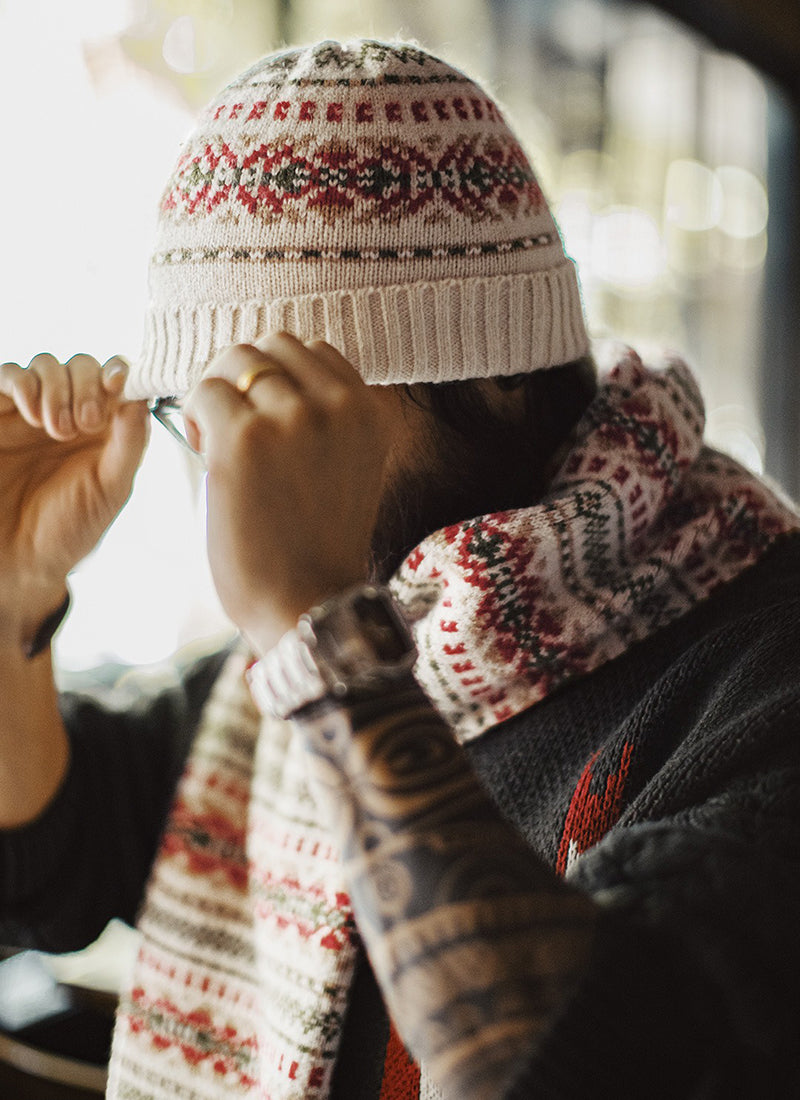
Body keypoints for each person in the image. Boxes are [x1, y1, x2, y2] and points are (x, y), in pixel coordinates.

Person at [1, 38, 799, 1100]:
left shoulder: (758, 670)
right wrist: (13, 598)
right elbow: (44, 862)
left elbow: (582, 1060)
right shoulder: (294, 681)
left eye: (281, 402)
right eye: (197, 417)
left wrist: (321, 642)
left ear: (498, 370)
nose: (233, 467)